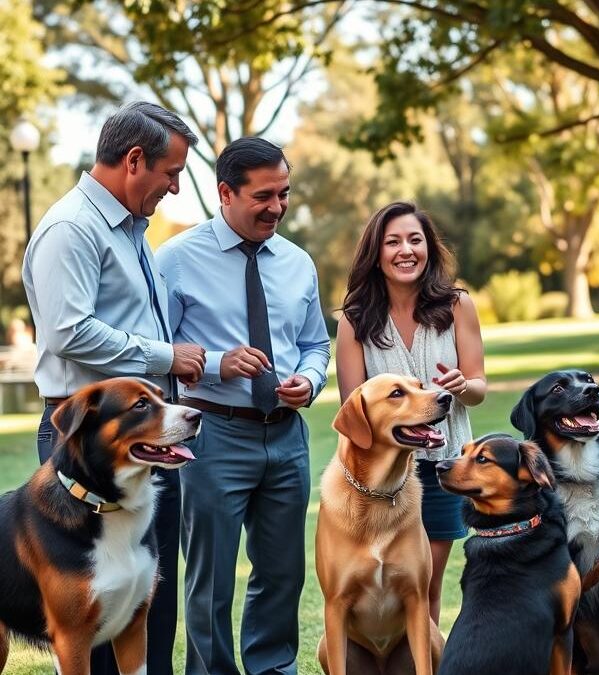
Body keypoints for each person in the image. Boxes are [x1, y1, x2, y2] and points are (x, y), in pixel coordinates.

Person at [21, 101, 204, 675]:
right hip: (86, 446)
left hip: (143, 445)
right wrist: (163, 356)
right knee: (90, 625)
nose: (175, 189)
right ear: (133, 160)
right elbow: (68, 330)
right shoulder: (72, 229)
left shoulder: (129, 229)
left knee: (147, 608)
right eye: (171, 173)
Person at [156, 137, 330, 675]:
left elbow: (315, 343)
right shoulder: (176, 260)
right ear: (225, 193)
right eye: (263, 196)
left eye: (283, 194)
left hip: (286, 434)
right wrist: (214, 364)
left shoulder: (298, 262)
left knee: (282, 574)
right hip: (212, 435)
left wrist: (310, 378)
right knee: (210, 578)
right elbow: (151, 350)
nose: (276, 208)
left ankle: (272, 668)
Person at [336, 200, 486, 624]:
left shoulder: (458, 306)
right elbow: (356, 410)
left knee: (426, 588)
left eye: (415, 240)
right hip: (383, 482)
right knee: (380, 590)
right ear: (376, 253)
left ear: (429, 248)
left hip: (442, 467)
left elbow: (477, 388)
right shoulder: (354, 319)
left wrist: (462, 385)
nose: (406, 250)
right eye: (393, 241)